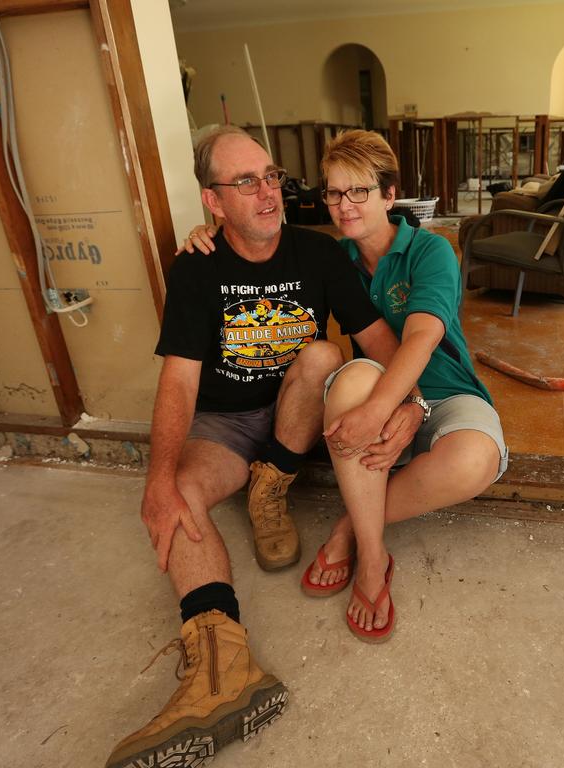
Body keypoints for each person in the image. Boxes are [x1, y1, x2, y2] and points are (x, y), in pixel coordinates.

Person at [105, 126, 403, 768]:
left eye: (270, 176)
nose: (267, 192)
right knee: (182, 490)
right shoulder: (197, 267)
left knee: (323, 352)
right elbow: (180, 378)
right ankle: (223, 666)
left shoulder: (319, 255)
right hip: (227, 422)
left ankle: (273, 486)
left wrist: (408, 409)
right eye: (245, 181)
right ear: (213, 203)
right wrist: (157, 479)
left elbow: (378, 340)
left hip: (302, 414)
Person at [183, 130, 508, 644]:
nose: (344, 205)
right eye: (334, 193)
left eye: (359, 191)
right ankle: (374, 562)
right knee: (353, 372)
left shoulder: (431, 250)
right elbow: (252, 243)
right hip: (372, 394)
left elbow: (421, 338)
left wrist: (411, 406)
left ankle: (349, 529)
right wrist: (212, 231)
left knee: (475, 460)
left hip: (443, 392)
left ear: (389, 195)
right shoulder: (332, 258)